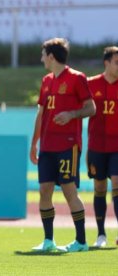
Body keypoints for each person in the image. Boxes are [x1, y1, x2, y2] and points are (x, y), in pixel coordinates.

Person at [30, 37, 96, 252]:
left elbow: (91, 108)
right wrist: (34, 143)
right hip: (47, 146)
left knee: (69, 190)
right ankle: (49, 241)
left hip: (68, 145)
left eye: (42, 55)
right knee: (44, 190)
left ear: (51, 56)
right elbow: (41, 114)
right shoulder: (46, 80)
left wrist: (72, 114)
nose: (41, 59)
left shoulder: (77, 78)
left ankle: (81, 241)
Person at [87, 46, 118, 247]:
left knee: (117, 183)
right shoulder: (90, 84)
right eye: (117, 62)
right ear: (106, 62)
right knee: (99, 187)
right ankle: (101, 234)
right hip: (96, 146)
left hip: (117, 146)